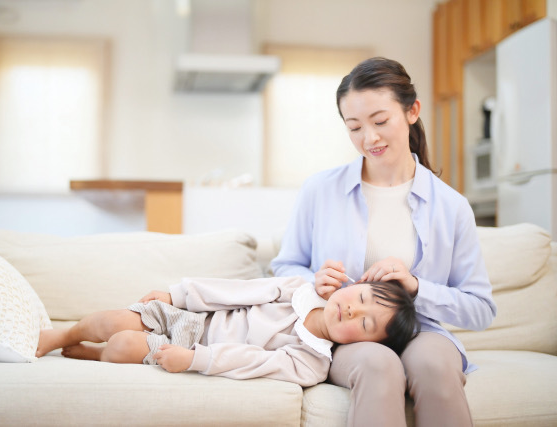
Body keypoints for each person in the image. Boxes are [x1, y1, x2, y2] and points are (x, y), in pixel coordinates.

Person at [270, 57, 497, 426]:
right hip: (344, 336)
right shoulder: (320, 190)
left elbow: (480, 309)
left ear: (412, 111)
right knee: (379, 364)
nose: (369, 139)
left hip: (421, 331)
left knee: (434, 365)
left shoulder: (451, 206)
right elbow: (285, 266)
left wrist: (416, 286)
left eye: (380, 121)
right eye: (354, 127)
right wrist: (313, 282)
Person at [36, 276, 419, 387]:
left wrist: (196, 359)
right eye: (361, 297)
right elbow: (236, 291)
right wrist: (178, 295)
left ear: (364, 344)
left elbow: (252, 362)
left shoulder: (311, 362)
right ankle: (62, 336)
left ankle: (98, 354)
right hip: (192, 319)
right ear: (353, 285)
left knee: (122, 345)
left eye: (364, 323)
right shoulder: (297, 290)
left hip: (194, 348)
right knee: (112, 321)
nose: (352, 309)